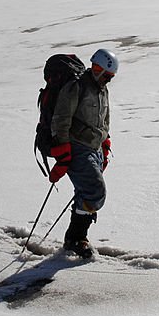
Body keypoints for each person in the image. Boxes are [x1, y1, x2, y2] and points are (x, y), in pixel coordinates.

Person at [47, 48, 118, 257]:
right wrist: (63, 151)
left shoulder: (103, 89)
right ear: (95, 67)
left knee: (86, 192)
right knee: (95, 192)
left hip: (94, 148)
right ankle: (76, 237)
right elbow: (61, 119)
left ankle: (76, 238)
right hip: (77, 147)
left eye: (110, 76)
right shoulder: (76, 86)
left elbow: (104, 118)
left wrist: (105, 143)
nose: (107, 79)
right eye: (104, 73)